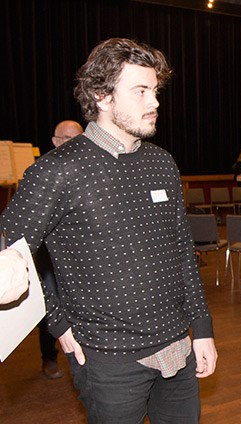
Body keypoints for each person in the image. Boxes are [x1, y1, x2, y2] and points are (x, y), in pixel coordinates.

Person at [0, 38, 217, 423]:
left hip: (178, 348)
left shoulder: (162, 162)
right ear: (103, 96)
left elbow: (183, 250)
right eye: (140, 91)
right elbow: (15, 256)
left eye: (155, 91)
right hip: (109, 360)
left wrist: (201, 329)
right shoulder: (56, 171)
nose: (155, 103)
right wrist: (56, 322)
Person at [36, 119, 84, 379]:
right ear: (55, 142)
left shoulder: (91, 170)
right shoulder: (42, 172)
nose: (74, 143)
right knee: (49, 308)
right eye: (67, 139)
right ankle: (49, 357)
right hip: (49, 258)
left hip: (80, 257)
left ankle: (80, 357)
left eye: (78, 137)